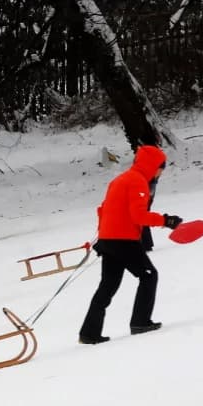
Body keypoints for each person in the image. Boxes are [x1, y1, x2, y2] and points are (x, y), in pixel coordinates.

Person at [78, 144, 184, 344]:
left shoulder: (120, 179)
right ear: (154, 166)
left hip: (109, 239)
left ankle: (89, 333)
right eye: (162, 167)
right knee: (149, 275)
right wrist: (166, 220)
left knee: (108, 286)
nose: (162, 172)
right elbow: (139, 216)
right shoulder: (138, 182)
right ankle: (140, 322)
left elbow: (103, 209)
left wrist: (102, 238)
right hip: (124, 240)